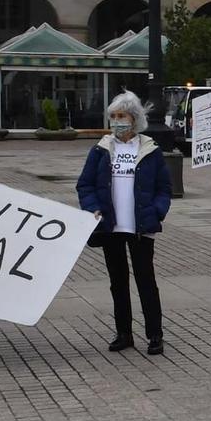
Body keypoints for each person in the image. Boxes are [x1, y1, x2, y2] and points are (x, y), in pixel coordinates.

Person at [76, 91, 172, 355]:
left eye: (122, 116)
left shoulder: (149, 150)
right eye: (113, 116)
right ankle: (123, 333)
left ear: (134, 118)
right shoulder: (101, 149)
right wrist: (93, 208)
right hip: (111, 227)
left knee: (146, 282)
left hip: (141, 226)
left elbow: (164, 188)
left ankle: (155, 335)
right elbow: (85, 184)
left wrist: (157, 211)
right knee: (117, 282)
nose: (117, 121)